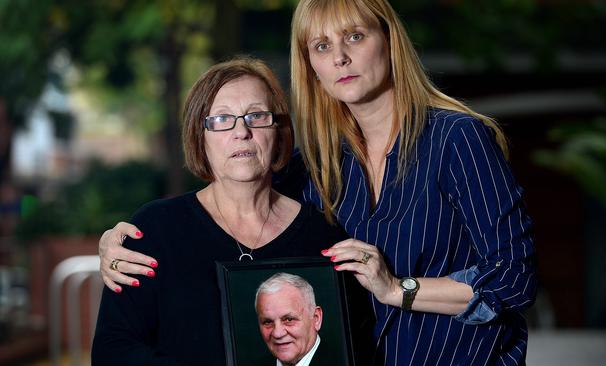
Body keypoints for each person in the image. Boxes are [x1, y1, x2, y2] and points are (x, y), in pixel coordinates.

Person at [98, 0, 537, 364]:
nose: (339, 58)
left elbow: (515, 280)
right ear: (311, 66)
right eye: (322, 45)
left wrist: (397, 288)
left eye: (355, 37)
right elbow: (238, 201)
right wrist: (118, 243)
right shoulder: (316, 167)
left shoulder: (456, 139)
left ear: (389, 40)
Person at [91, 57, 361, 365]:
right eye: (221, 119)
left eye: (256, 116)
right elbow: (112, 351)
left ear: (278, 131)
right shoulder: (155, 230)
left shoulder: (323, 237)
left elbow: (354, 348)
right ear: (199, 136)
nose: (241, 132)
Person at [255, 273, 326, 366]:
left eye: (289, 319)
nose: (277, 333)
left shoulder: (348, 358)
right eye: (268, 322)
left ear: (316, 318)